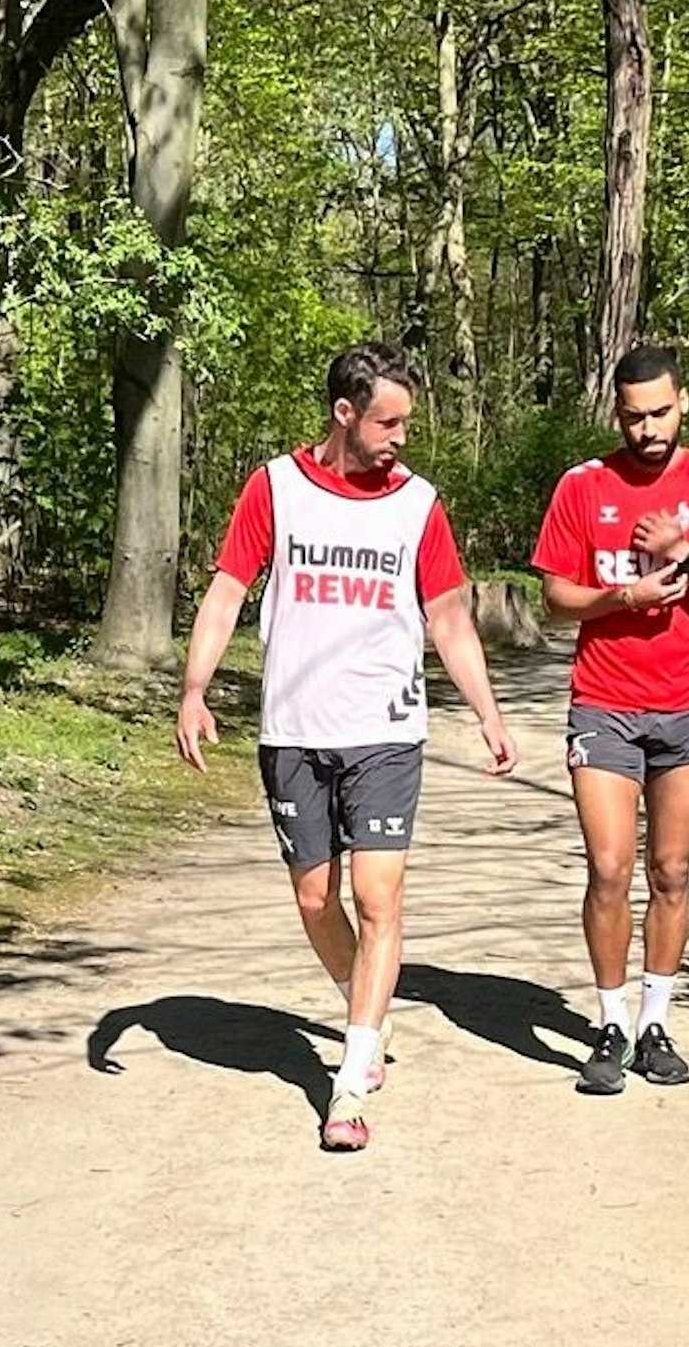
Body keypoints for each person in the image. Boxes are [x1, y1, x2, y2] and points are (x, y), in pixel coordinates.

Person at [177, 342, 518, 1151]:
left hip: (386, 731)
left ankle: (351, 1079)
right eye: (387, 422)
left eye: (406, 422)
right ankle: (364, 1001)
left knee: (378, 898)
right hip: (294, 728)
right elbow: (227, 591)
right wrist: (194, 689)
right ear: (344, 412)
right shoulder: (276, 487)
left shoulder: (418, 504)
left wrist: (488, 712)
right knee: (314, 898)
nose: (401, 437)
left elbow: (448, 617)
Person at [530, 344, 689, 1094]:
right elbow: (555, 599)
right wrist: (622, 598)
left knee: (671, 870)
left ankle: (655, 1020)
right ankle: (611, 1023)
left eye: (660, 413)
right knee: (609, 869)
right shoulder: (583, 485)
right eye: (634, 417)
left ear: (682, 403)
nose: (648, 429)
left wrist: (684, 553)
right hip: (603, 700)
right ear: (617, 414)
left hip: (688, 702)